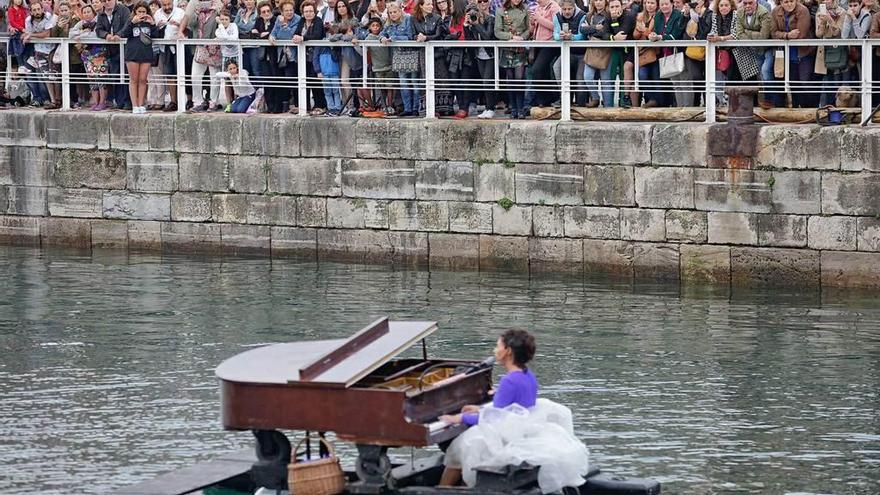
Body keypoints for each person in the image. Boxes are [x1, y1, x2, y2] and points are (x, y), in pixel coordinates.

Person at [438, 329, 590, 493]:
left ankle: (442, 489)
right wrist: (480, 408)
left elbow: (494, 419)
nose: (494, 351)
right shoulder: (527, 375)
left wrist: (460, 418)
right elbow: (509, 408)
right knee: (463, 447)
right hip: (523, 430)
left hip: (506, 435)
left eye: (498, 346)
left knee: (458, 449)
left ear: (508, 351)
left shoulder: (508, 381)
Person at [381, 1, 419, 116]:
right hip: (398, 55)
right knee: (403, 83)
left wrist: (394, 38)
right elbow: (382, 33)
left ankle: (416, 108)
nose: (393, 14)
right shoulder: (388, 24)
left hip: (411, 53)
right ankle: (407, 108)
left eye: (395, 12)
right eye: (390, 12)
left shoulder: (408, 19)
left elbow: (410, 36)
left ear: (400, 11)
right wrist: (382, 38)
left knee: (414, 83)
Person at [119, 0, 157, 113]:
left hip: (146, 54)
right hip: (132, 54)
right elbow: (123, 33)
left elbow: (156, 36)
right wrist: (132, 23)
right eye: (139, 11)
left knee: (143, 80)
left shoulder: (149, 22)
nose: (141, 14)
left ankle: (141, 104)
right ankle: (134, 105)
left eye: (144, 11)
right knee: (133, 80)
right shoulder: (131, 20)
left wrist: (153, 24)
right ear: (135, 11)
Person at [732, 0, 773, 106]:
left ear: (756, 3)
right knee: (759, 76)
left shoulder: (764, 12)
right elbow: (739, 34)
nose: (747, 6)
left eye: (750, 3)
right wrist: (753, 35)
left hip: (768, 49)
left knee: (766, 73)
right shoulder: (740, 12)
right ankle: (763, 103)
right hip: (755, 50)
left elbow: (764, 36)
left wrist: (747, 32)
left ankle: (772, 102)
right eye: (745, 3)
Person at [494, 0, 529, 118]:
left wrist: (522, 38)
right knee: (510, 80)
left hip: (520, 48)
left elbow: (529, 29)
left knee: (519, 78)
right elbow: (497, 31)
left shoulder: (525, 9)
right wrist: (511, 37)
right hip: (507, 48)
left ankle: (520, 109)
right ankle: (513, 108)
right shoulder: (501, 11)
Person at [96, 0, 132, 109]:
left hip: (125, 48)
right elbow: (98, 29)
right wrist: (106, 35)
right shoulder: (101, 14)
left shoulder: (123, 9)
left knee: (126, 75)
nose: (107, 2)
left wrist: (119, 35)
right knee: (115, 75)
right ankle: (120, 101)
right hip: (111, 50)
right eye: (104, 1)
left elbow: (128, 25)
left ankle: (127, 102)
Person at [649, 0, 685, 107]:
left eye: (666, 4)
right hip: (664, 52)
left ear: (672, 4)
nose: (664, 6)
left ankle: (686, 107)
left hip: (678, 51)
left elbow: (677, 34)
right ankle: (676, 106)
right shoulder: (658, 16)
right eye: (662, 4)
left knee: (682, 82)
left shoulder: (679, 15)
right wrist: (653, 35)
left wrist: (660, 37)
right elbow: (657, 30)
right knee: (673, 83)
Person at [465, 0, 497, 118]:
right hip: (479, 55)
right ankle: (488, 107)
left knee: (487, 81)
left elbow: (487, 36)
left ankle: (490, 108)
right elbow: (469, 41)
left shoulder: (490, 19)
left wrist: (476, 24)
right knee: (484, 82)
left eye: (476, 12)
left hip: (490, 55)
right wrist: (466, 26)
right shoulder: (471, 22)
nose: (474, 14)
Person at [552, 0, 587, 107]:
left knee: (580, 78)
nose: (567, 12)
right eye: (564, 9)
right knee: (557, 67)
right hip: (567, 52)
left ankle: (581, 104)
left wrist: (572, 37)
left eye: (569, 9)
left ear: (574, 7)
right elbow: (555, 35)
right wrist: (561, 36)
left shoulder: (582, 15)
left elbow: (583, 36)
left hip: (582, 53)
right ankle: (564, 99)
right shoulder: (557, 16)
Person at [23, 1, 57, 108]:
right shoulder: (28, 20)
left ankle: (58, 99)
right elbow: (26, 35)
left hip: (52, 50)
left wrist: (31, 35)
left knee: (55, 76)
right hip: (38, 51)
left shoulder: (48, 16)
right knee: (44, 77)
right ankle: (51, 100)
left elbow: (47, 34)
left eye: (38, 9)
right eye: (34, 10)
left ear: (42, 9)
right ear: (31, 12)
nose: (37, 12)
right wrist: (29, 36)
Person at [153, 0, 186, 111]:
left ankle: (186, 100)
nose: (167, 7)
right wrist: (158, 26)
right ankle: (173, 101)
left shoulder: (180, 12)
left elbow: (188, 26)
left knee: (182, 73)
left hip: (179, 45)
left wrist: (178, 25)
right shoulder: (157, 13)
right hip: (165, 46)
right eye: (164, 5)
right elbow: (155, 30)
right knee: (169, 74)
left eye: (169, 5)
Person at [528, 0, 559, 108]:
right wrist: (532, 23)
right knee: (542, 72)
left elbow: (556, 26)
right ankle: (542, 100)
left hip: (550, 44)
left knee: (537, 70)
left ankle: (548, 98)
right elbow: (533, 30)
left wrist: (540, 19)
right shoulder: (538, 8)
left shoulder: (554, 7)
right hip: (538, 43)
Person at [581, 0, 612, 107]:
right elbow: (582, 30)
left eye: (601, 0)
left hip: (606, 50)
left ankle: (608, 107)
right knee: (587, 76)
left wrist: (590, 29)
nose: (598, 2)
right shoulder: (589, 15)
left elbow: (605, 32)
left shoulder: (609, 15)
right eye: (596, 0)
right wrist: (595, 27)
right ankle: (595, 98)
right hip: (591, 49)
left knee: (606, 80)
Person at [815, 0, 846, 106]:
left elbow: (837, 32)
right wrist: (823, 22)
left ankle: (836, 108)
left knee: (836, 80)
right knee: (826, 80)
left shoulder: (841, 12)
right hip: (824, 50)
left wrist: (830, 19)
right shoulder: (819, 11)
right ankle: (825, 108)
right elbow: (818, 34)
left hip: (837, 50)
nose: (826, 1)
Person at [633, 0, 658, 106]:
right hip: (643, 52)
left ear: (656, 5)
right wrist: (639, 30)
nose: (649, 5)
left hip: (657, 52)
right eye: (647, 2)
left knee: (656, 78)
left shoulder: (659, 16)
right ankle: (651, 100)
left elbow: (656, 33)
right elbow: (634, 36)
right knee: (642, 75)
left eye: (652, 3)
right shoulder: (640, 16)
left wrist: (645, 30)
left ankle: (659, 103)